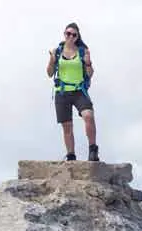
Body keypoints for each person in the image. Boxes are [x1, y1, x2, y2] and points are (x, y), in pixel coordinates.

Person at [47, 22, 99, 162]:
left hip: (79, 91)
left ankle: (93, 149)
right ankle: (71, 155)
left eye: (73, 34)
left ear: (77, 37)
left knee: (88, 116)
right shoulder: (57, 51)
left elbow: (90, 74)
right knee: (67, 126)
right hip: (62, 92)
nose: (70, 36)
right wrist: (51, 60)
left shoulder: (82, 51)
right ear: (64, 34)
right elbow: (50, 73)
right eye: (68, 33)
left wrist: (88, 62)